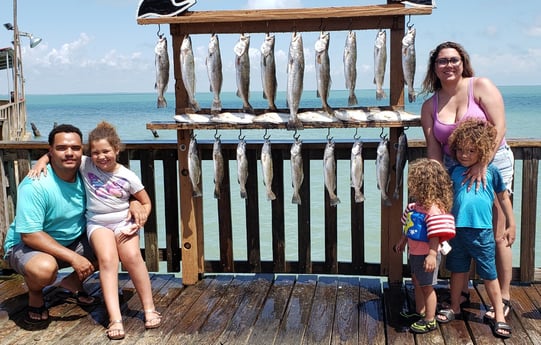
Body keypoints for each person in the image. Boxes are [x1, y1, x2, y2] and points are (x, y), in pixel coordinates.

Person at [31, 121, 160, 340]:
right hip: (98, 223)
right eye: (96, 152)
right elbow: (56, 155)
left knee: (133, 257)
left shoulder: (128, 176)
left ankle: (149, 308)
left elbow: (145, 202)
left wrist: (140, 217)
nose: (101, 156)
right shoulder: (85, 164)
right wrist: (41, 162)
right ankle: (115, 318)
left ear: (116, 150)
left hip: (124, 222)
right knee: (108, 261)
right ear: (90, 154)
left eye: (106, 151)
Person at [419, 41, 515, 319]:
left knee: (495, 232)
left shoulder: (480, 85)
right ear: (434, 68)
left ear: (463, 63)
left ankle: (504, 295)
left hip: (492, 162)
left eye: (453, 60)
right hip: (454, 168)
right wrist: (436, 185)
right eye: (442, 61)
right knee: (457, 229)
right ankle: (459, 292)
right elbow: (434, 148)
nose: (448, 65)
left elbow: (500, 126)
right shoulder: (430, 104)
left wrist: (483, 164)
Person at [3, 124, 99, 326]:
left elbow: (121, 180)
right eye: (61, 148)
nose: (69, 153)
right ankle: (35, 294)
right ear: (51, 151)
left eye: (75, 148)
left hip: (71, 242)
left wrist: (137, 203)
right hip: (25, 246)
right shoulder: (36, 185)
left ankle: (73, 282)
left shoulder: (87, 171)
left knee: (118, 236)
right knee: (44, 268)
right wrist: (74, 258)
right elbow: (29, 235)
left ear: (83, 151)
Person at [436, 119, 515, 339]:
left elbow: (503, 198)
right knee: (457, 270)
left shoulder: (492, 172)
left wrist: (511, 223)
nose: (464, 155)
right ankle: (455, 305)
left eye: (471, 151)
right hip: (457, 232)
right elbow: (446, 198)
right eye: (460, 150)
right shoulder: (454, 172)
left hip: (482, 233)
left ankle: (499, 314)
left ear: (483, 150)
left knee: (489, 274)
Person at [393, 158, 455, 334]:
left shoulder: (434, 210)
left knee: (427, 287)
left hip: (427, 254)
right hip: (414, 252)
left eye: (417, 184)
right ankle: (419, 311)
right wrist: (402, 241)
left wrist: (432, 254)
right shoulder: (414, 207)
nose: (413, 188)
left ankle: (429, 319)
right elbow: (408, 227)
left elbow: (435, 235)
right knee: (417, 282)